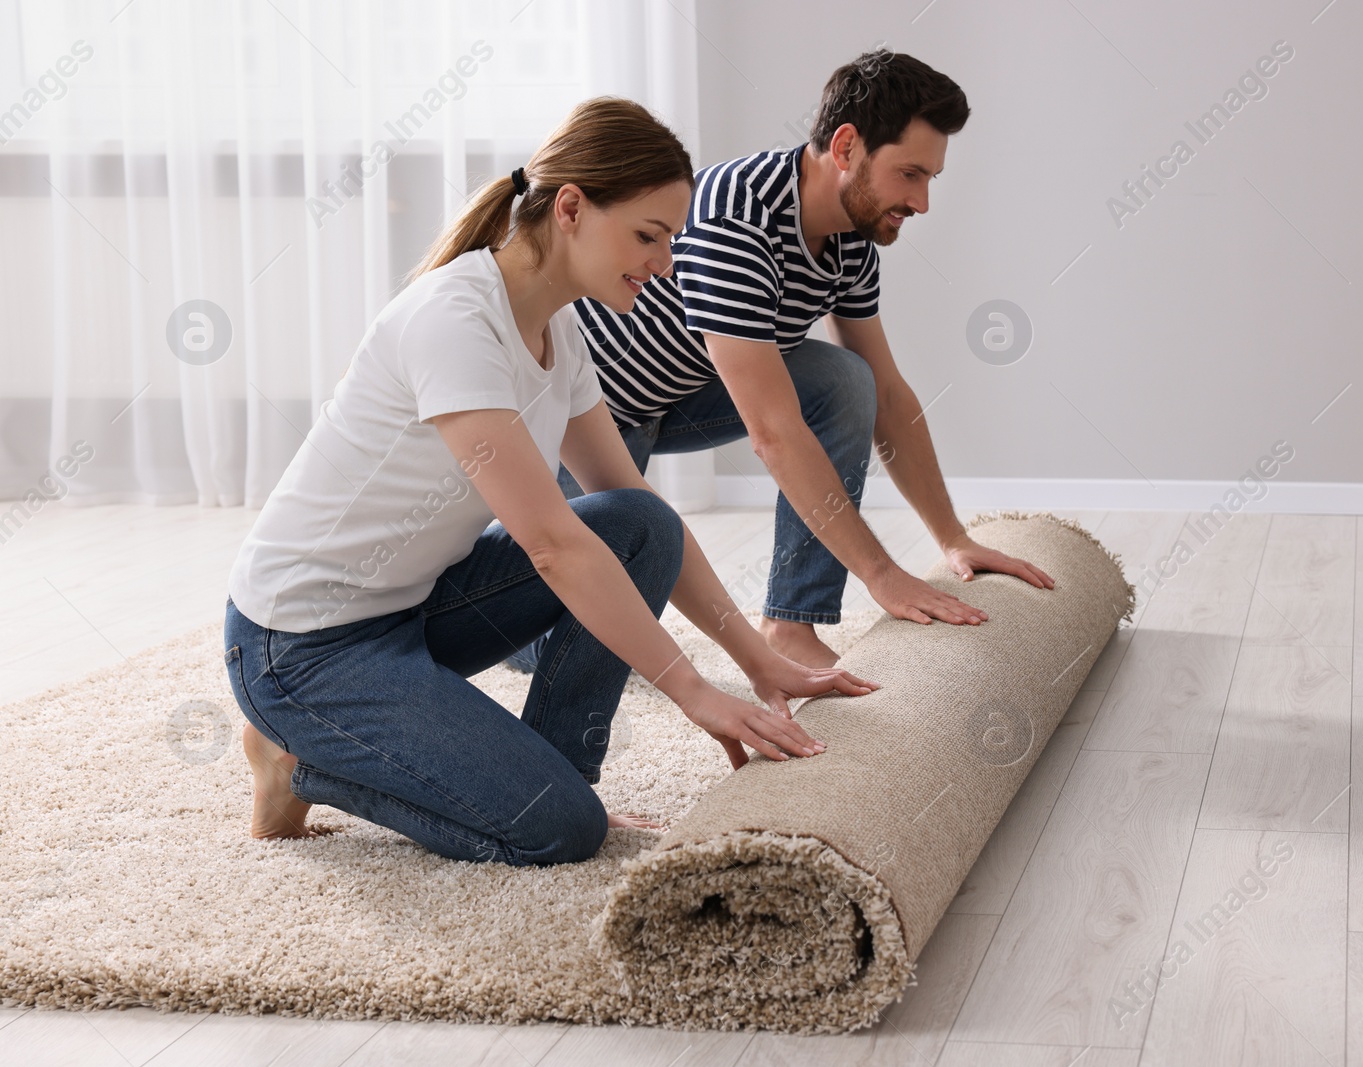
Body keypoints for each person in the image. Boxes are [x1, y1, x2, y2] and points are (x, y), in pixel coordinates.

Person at [222, 97, 877, 868]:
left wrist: (756, 659)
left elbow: (626, 504)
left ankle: (561, 771)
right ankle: (296, 757)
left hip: (413, 609)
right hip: (300, 647)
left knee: (640, 524)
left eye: (670, 239)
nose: (665, 263)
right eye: (648, 235)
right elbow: (554, 546)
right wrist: (695, 691)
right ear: (570, 208)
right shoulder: (454, 319)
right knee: (557, 830)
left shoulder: (557, 326)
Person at [504, 49, 1054, 677]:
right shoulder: (738, 218)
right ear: (845, 147)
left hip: (680, 395)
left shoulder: (851, 239)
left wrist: (953, 538)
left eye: (931, 178)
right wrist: (882, 575)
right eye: (910, 174)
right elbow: (771, 431)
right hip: (589, 421)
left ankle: (791, 625)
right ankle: (487, 603)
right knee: (582, 645)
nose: (922, 201)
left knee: (847, 381)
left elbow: (891, 397)